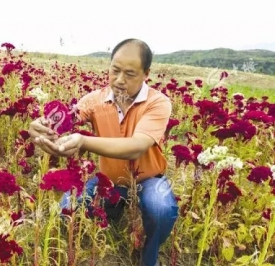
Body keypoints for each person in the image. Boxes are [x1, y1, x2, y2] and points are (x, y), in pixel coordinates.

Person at [28, 38, 179, 266]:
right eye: (115, 70)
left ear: (146, 73)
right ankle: (111, 215)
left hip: (148, 179)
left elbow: (136, 146)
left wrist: (84, 141)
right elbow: (64, 120)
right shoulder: (95, 100)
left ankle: (148, 257)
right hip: (108, 180)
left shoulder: (157, 103)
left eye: (129, 74)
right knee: (66, 208)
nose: (119, 80)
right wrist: (41, 126)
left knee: (160, 209)